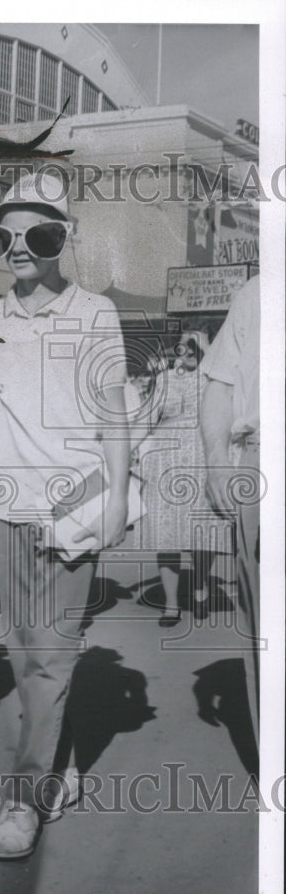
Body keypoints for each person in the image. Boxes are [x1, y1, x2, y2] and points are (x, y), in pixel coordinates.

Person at [0, 172, 130, 860]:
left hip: (73, 507)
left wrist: (117, 496)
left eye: (42, 234)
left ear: (62, 241)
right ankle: (54, 759)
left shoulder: (95, 314)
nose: (22, 248)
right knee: (25, 652)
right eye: (9, 235)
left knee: (51, 657)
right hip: (7, 508)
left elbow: (113, 413)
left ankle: (23, 801)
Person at [200, 275, 260, 750]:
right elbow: (219, 385)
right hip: (265, 461)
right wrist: (218, 464)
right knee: (266, 629)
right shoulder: (257, 292)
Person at [134, 328, 224, 626]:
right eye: (181, 345)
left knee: (203, 532)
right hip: (165, 464)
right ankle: (171, 604)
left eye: (193, 345)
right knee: (167, 535)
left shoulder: (215, 381)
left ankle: (200, 586)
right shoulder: (165, 380)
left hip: (202, 461)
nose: (185, 350)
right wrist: (125, 452)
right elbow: (145, 420)